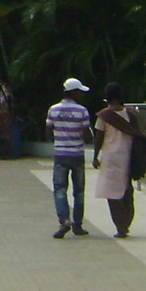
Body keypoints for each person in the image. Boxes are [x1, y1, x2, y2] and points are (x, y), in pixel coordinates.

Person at [93, 83, 142, 238]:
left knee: (112, 194)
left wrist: (95, 156)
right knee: (127, 189)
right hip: (128, 156)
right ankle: (127, 221)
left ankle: (120, 226)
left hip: (110, 158)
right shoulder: (131, 113)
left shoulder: (104, 116)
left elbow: (98, 138)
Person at [47, 77, 93, 239]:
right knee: (79, 192)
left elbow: (48, 132)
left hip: (60, 154)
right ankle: (77, 225)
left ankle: (64, 221)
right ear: (73, 93)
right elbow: (87, 135)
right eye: (79, 92)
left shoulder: (53, 110)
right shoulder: (82, 111)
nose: (81, 95)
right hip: (77, 155)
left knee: (60, 190)